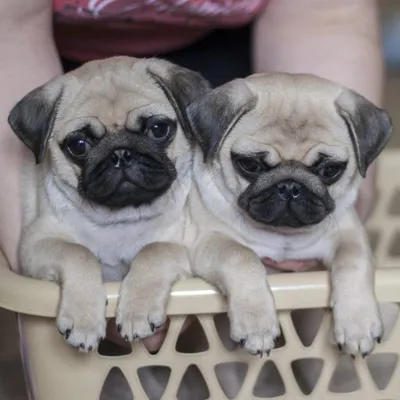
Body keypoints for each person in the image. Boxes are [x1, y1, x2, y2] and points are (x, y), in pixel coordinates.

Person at [0, 0, 384, 352]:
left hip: (217, 54)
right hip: (47, 57)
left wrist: (352, 199)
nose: (121, 159)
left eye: (155, 131)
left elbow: (325, 17)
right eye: (81, 147)